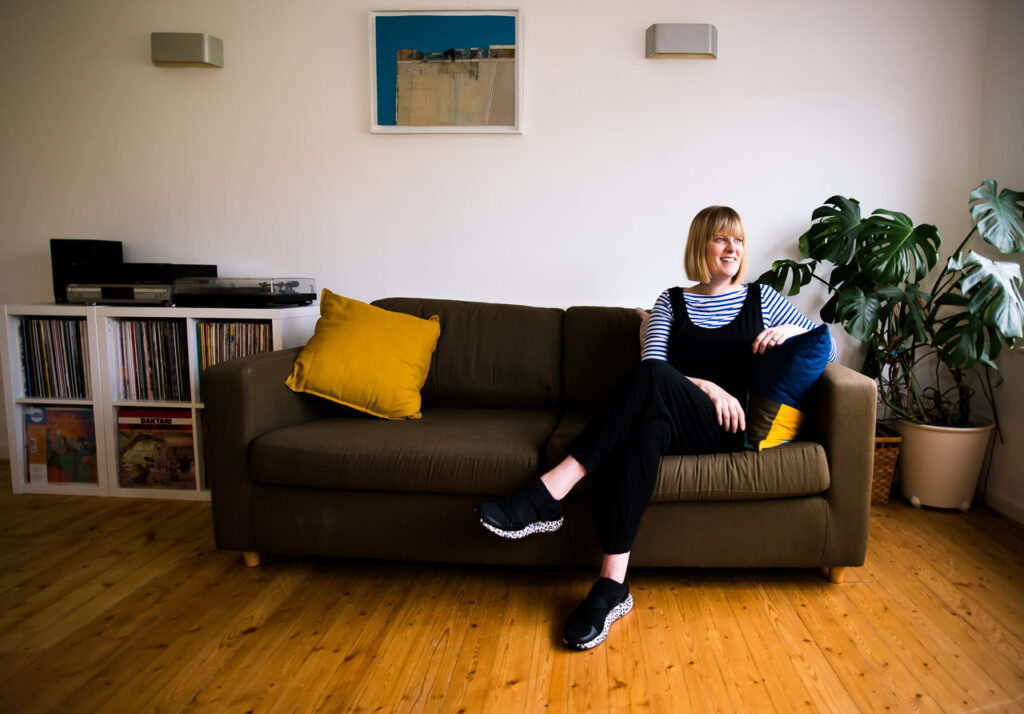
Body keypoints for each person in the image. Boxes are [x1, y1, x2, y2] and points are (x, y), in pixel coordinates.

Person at [477, 205, 836, 650]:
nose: (732, 248)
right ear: (700, 244)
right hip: (674, 418)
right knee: (645, 427)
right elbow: (653, 364)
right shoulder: (672, 300)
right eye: (722, 239)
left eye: (739, 240)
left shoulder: (762, 299)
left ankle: (550, 492)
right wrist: (708, 386)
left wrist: (786, 332)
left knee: (652, 387)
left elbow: (829, 346)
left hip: (726, 428)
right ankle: (611, 586)